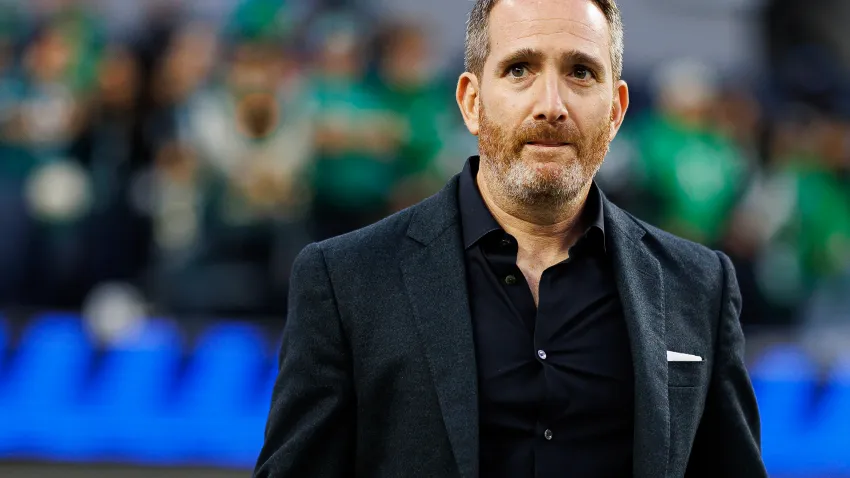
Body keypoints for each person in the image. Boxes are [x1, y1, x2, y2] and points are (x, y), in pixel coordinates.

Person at [253, 0, 768, 477]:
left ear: (615, 110)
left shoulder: (699, 285)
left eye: (581, 72)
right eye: (520, 69)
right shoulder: (346, 281)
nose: (551, 105)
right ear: (471, 102)